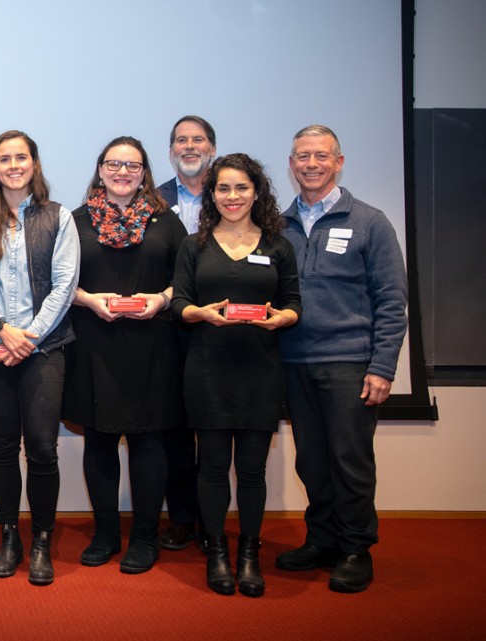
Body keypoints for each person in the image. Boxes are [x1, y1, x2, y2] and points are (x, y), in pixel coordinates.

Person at [276, 125, 408, 593]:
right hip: (294, 362)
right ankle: (322, 540)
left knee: (349, 460)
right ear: (291, 164)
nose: (311, 164)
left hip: (349, 363)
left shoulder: (370, 222)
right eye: (302, 156)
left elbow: (392, 300)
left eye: (320, 155)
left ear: (339, 161)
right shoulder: (279, 225)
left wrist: (382, 366)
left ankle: (355, 549)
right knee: (311, 461)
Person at [170, 153, 301, 597]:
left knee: (251, 470)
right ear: (212, 194)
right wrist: (200, 313)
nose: (232, 196)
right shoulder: (195, 246)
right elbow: (179, 303)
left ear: (257, 192)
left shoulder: (278, 246)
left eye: (241, 187)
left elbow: (293, 303)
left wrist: (283, 318)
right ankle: (217, 553)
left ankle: (248, 555)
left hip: (260, 373)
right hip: (208, 370)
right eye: (223, 188)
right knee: (210, 468)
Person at [63, 136, 186, 575]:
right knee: (99, 441)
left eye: (132, 165)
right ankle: (106, 534)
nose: (122, 172)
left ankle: (146, 537)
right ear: (100, 170)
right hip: (93, 345)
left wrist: (162, 298)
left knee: (148, 443)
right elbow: (57, 282)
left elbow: (187, 279)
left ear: (144, 172)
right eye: (114, 164)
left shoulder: (166, 221)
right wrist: (88, 300)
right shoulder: (75, 221)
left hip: (153, 346)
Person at [0, 131, 78, 586]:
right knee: (4, 446)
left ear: (34, 163)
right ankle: (9, 537)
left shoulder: (58, 217)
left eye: (21, 157)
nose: (13, 166)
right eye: (4, 159)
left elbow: (65, 284)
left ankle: (42, 540)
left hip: (43, 348)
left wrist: (29, 336)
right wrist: (3, 329)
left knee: (43, 448)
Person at [155, 115, 217, 550]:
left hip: (223, 329)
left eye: (198, 139)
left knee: (215, 428)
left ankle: (212, 519)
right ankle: (181, 516)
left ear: (212, 147)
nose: (189, 146)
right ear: (171, 150)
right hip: (170, 328)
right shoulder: (154, 200)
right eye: (181, 140)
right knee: (174, 430)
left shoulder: (231, 193)